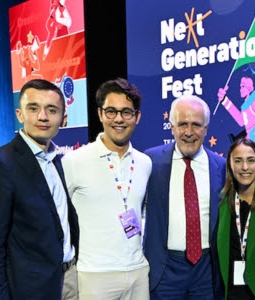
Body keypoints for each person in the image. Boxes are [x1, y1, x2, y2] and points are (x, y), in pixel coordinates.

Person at [0, 79, 79, 299]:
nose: (43, 116)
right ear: (20, 114)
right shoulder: (0, 164)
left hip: (70, 280)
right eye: (33, 108)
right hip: (29, 290)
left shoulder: (60, 162)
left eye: (52, 110)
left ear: (63, 118)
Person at [62, 78, 150, 299]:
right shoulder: (74, 161)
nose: (118, 119)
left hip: (138, 271)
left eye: (126, 112)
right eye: (111, 111)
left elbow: (142, 212)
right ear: (100, 114)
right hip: (95, 275)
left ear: (137, 117)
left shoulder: (144, 162)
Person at [144, 95, 226, 299]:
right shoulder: (150, 161)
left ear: (206, 128)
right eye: (182, 124)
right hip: (165, 270)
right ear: (171, 127)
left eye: (196, 125)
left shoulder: (221, 166)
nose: (189, 132)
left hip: (206, 271)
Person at [216, 138, 255, 300]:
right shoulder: (222, 203)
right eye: (238, 161)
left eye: (250, 160)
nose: (245, 167)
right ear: (230, 166)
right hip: (230, 292)